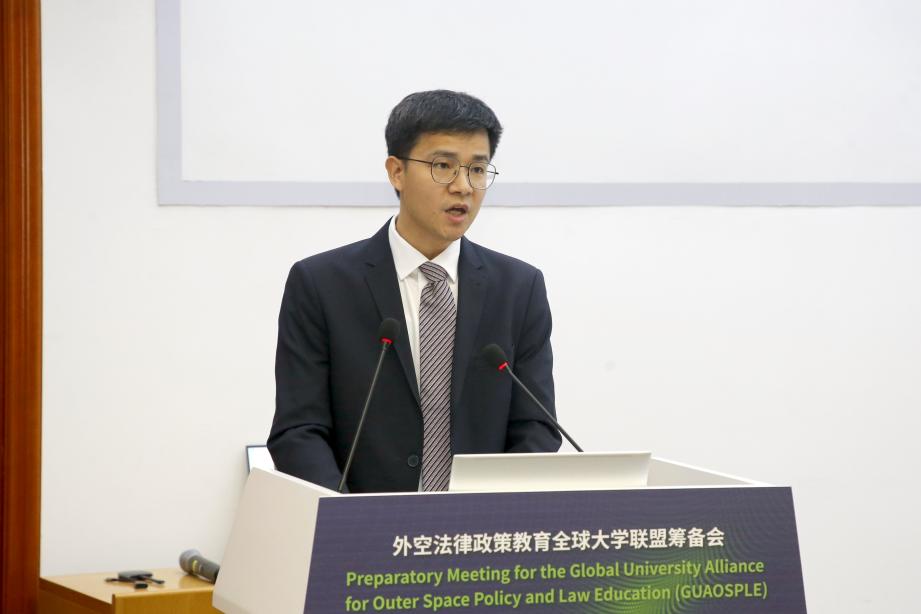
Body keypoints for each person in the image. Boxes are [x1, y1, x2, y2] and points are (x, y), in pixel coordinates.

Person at [268, 90, 561, 493]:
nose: (463, 187)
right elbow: (299, 430)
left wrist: (493, 514)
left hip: (479, 525)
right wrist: (349, 518)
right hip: (361, 522)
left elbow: (536, 427)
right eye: (443, 166)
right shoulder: (321, 285)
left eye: (478, 169)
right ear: (397, 172)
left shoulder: (519, 289)